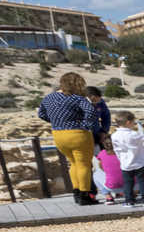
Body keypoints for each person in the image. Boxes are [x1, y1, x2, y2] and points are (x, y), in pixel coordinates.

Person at [36, 72, 98, 205]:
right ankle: (85, 196)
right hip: (78, 134)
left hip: (58, 135)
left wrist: (56, 121)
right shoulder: (76, 98)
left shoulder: (48, 98)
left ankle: (76, 193)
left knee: (73, 164)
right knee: (83, 165)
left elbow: (41, 114)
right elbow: (91, 112)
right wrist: (85, 125)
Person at [112, 111, 144, 206]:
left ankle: (129, 201)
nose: (135, 124)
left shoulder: (114, 136)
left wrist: (121, 160)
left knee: (128, 183)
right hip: (139, 163)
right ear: (128, 122)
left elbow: (117, 150)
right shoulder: (134, 134)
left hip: (126, 164)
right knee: (142, 182)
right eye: (134, 122)